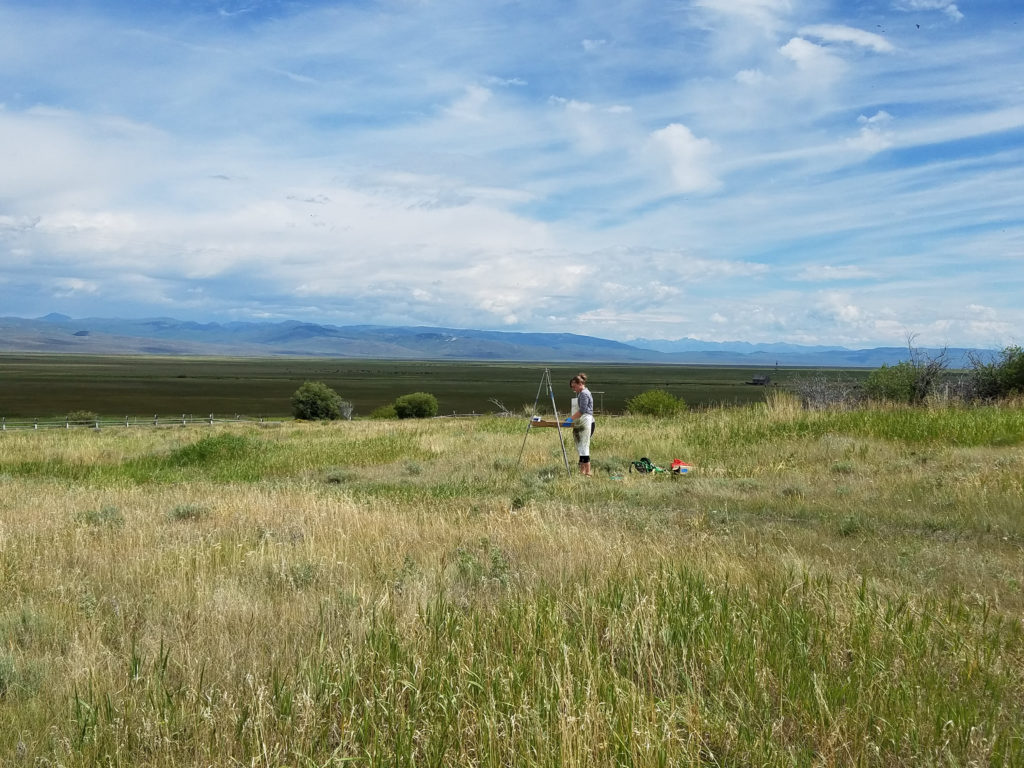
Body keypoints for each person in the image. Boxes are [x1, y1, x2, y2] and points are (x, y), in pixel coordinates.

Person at [567, 373, 595, 476]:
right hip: (582, 421)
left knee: (584, 447)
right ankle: (582, 471)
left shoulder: (584, 393)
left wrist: (571, 419)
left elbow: (582, 410)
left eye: (574, 387)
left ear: (580, 384)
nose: (573, 389)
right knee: (581, 447)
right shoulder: (581, 393)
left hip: (586, 421)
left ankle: (588, 472)